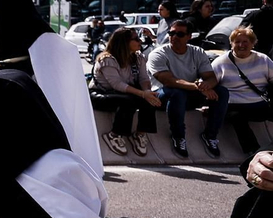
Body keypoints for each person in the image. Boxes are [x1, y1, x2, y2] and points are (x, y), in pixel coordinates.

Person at [148, 18, 229, 158]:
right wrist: (198, 87)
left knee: (222, 92)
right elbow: (168, 81)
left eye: (179, 34)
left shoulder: (197, 52)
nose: (174, 37)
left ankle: (210, 136)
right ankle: (178, 137)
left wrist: (207, 85)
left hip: (189, 93)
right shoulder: (158, 53)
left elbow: (211, 77)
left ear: (189, 37)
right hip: (162, 96)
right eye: (171, 33)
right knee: (177, 93)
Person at [91, 25, 160, 156]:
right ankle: (114, 135)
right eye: (136, 39)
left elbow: (144, 78)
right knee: (128, 102)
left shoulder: (138, 57)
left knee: (150, 100)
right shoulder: (107, 59)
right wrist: (142, 94)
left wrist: (147, 92)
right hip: (102, 93)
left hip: (124, 93)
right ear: (124, 42)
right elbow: (117, 84)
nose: (140, 41)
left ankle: (140, 134)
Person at [212, 26, 272, 153]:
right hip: (234, 105)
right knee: (237, 118)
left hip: (258, 103)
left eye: (245, 42)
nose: (241, 45)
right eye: (237, 42)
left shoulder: (263, 59)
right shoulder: (220, 62)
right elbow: (208, 82)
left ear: (253, 44)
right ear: (231, 44)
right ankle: (254, 152)